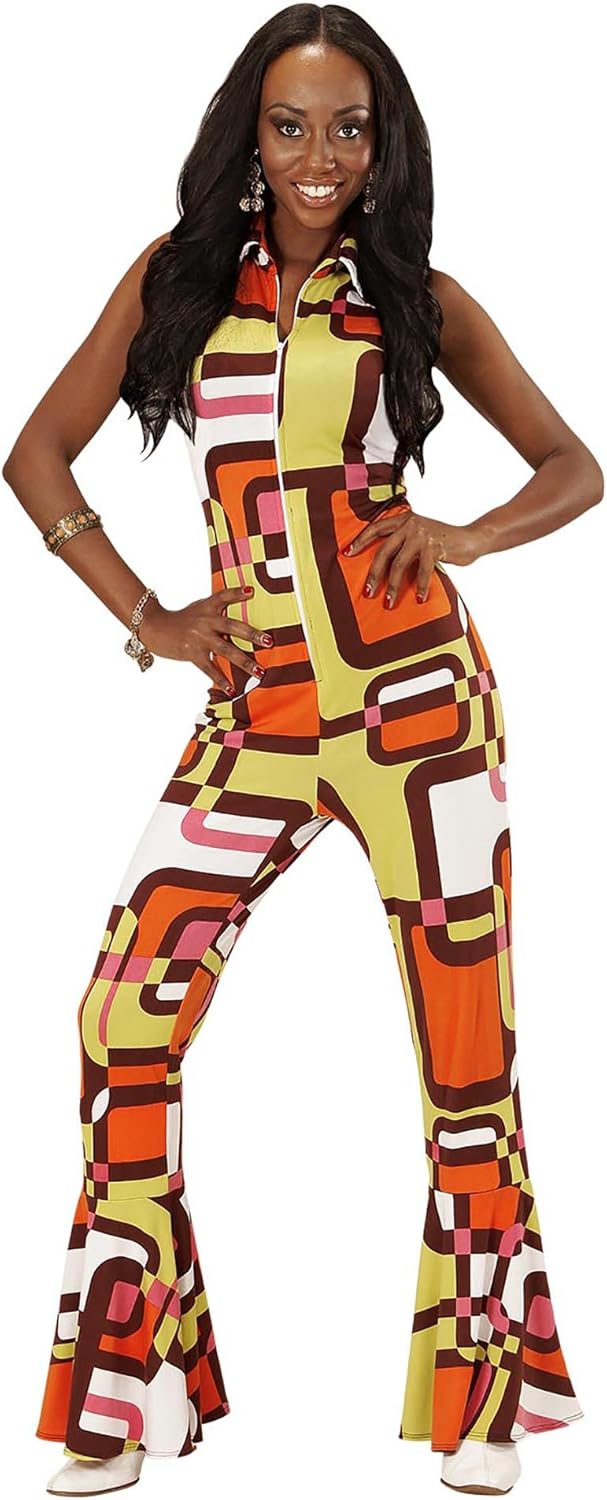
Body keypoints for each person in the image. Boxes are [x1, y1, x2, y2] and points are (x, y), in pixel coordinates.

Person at [4, 5, 600, 1497]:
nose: (319, 155)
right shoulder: (178, 281)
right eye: (290, 125)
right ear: (249, 136)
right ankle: (127, 1390)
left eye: (349, 127)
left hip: (421, 709)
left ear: (383, 144)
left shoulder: (418, 298)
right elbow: (35, 453)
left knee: (469, 1059)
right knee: (121, 1019)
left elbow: (575, 467)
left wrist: (462, 535)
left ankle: (483, 1399)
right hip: (255, 713)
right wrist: (150, 616)